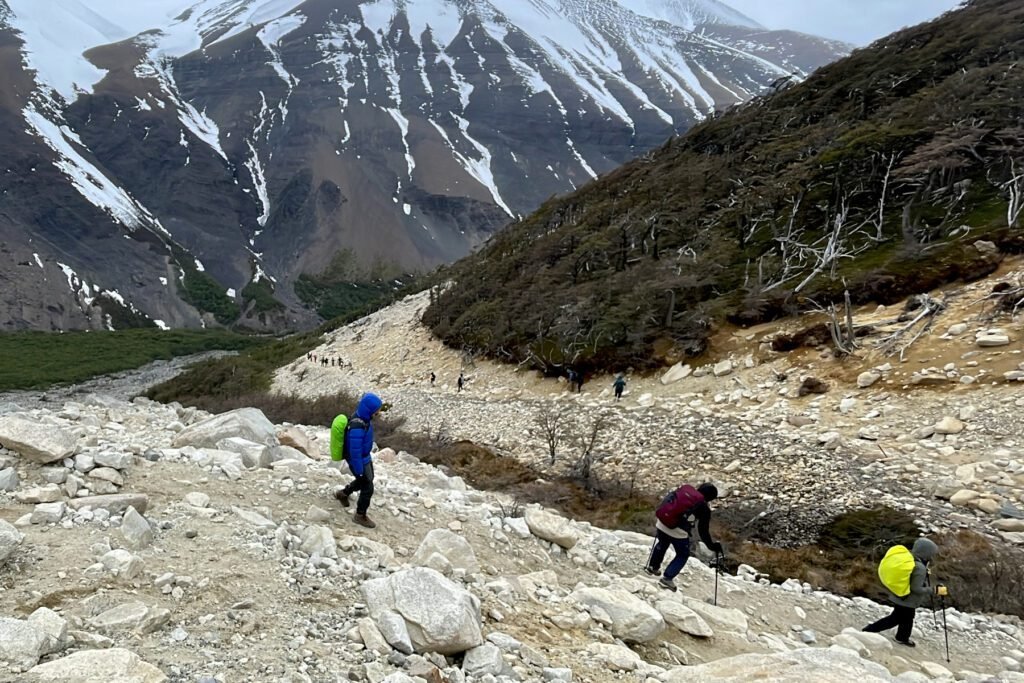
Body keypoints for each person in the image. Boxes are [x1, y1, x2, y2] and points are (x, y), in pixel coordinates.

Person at [863, 538, 942, 647]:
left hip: (901, 596)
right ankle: (874, 631)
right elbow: (916, 588)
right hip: (908, 600)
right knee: (899, 619)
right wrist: (933, 590)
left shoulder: (911, 559)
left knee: (901, 618)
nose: (932, 557)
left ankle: (899, 636)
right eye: (931, 554)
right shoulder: (920, 568)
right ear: (926, 552)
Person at [645, 482, 722, 591]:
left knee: (662, 543)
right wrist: (712, 546)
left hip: (662, 523)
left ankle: (652, 567)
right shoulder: (703, 507)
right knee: (682, 554)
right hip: (677, 531)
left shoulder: (683, 491)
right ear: (709, 498)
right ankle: (667, 578)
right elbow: (703, 531)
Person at [334, 392, 384, 528]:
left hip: (364, 457)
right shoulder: (358, 426)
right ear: (370, 410)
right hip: (358, 459)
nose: (379, 412)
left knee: (367, 480)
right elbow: (354, 451)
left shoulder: (364, 418)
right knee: (368, 487)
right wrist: (358, 469)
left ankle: (343, 493)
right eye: (377, 410)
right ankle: (360, 515)